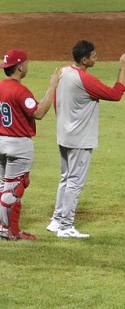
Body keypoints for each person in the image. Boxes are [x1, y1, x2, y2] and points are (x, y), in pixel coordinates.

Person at [46, 41, 125, 238]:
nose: (96, 57)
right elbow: (115, 94)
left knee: (66, 178)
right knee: (75, 182)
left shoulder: (62, 72)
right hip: (80, 139)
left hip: (64, 135)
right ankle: (66, 227)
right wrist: (122, 67)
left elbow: (56, 101)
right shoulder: (86, 80)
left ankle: (56, 220)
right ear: (84, 60)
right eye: (93, 55)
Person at [0, 50, 60, 240]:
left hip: (1, 141)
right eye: (26, 63)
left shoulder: (1, 86)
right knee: (13, 190)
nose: (27, 66)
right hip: (18, 145)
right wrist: (52, 87)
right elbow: (39, 112)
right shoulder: (20, 90)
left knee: (3, 187)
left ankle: (3, 228)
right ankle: (10, 232)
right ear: (20, 67)